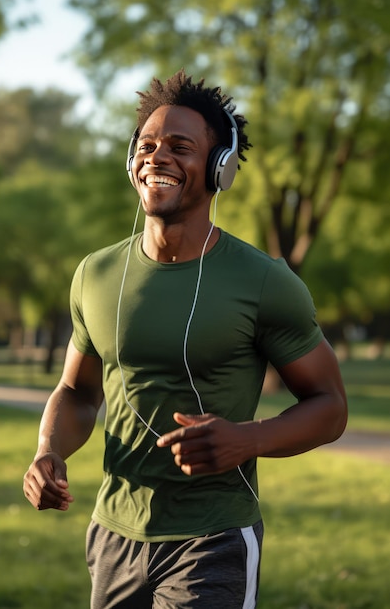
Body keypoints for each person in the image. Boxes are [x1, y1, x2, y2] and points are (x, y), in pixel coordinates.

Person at [23, 69, 348, 609]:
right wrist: (48, 451)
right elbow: (78, 393)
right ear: (131, 161)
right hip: (112, 537)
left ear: (220, 168)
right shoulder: (95, 275)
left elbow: (331, 405)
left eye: (181, 147)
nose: (158, 157)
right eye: (147, 145)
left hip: (213, 538)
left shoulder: (265, 282)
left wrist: (250, 439)